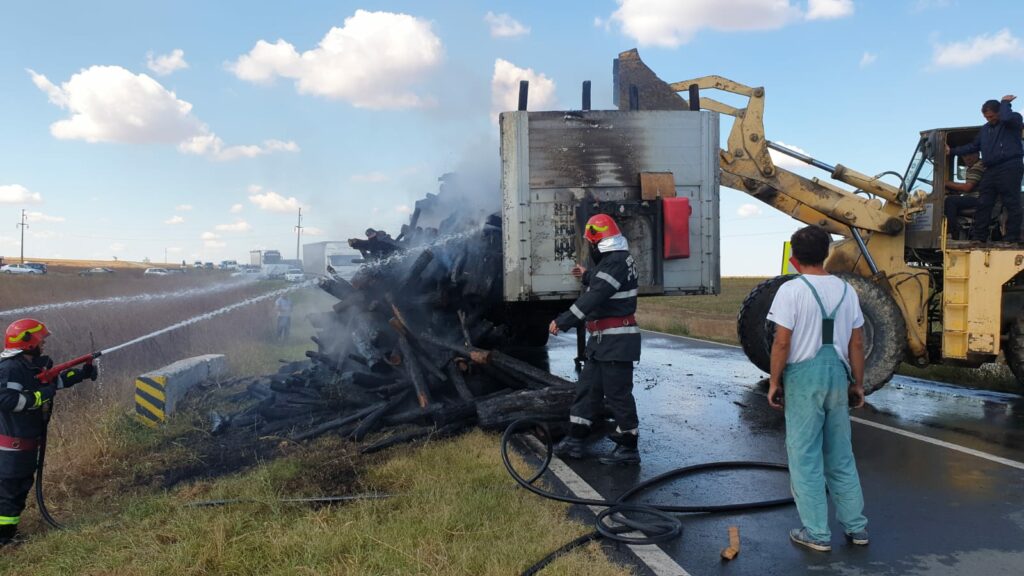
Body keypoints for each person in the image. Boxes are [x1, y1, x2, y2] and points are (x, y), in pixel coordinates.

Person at [766, 225, 869, 552]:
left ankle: (817, 534)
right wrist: (858, 383)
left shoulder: (790, 291)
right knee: (840, 456)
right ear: (827, 253)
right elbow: (857, 342)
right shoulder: (846, 291)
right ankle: (857, 528)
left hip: (804, 379)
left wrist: (774, 381)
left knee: (805, 456)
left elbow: (782, 342)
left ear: (794, 259)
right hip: (838, 377)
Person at [549, 214, 642, 465]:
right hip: (603, 343)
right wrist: (587, 274)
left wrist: (564, 320)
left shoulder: (616, 262)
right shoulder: (616, 260)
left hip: (616, 342)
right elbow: (604, 281)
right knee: (587, 390)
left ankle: (628, 449)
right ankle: (575, 441)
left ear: (598, 243)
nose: (591, 248)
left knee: (618, 394)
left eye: (591, 244)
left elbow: (596, 296)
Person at [0, 318, 96, 545]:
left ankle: (7, 532)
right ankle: (3, 538)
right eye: (41, 339)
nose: (44, 343)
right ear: (27, 341)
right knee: (10, 490)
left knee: (18, 487)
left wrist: (81, 374)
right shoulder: (10, 369)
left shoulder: (28, 366)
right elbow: (7, 400)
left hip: (24, 443)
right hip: (11, 445)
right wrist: (42, 395)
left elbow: (54, 381)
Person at [948, 96, 1024, 242]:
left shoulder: (1013, 120)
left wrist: (1005, 103)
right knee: (984, 201)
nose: (989, 119)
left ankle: (1012, 237)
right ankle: (979, 236)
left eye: (991, 116)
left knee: (1011, 201)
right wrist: (951, 151)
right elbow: (973, 146)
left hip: (1009, 166)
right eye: (986, 117)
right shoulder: (985, 129)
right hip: (991, 168)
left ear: (999, 112)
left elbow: (1007, 118)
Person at [944, 152, 986, 239]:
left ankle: (952, 232)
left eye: (970, 154)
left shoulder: (978, 166)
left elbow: (967, 187)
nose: (967, 158)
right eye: (964, 155)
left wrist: (946, 183)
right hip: (976, 197)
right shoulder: (972, 167)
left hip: (979, 199)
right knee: (952, 198)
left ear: (977, 154)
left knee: (950, 201)